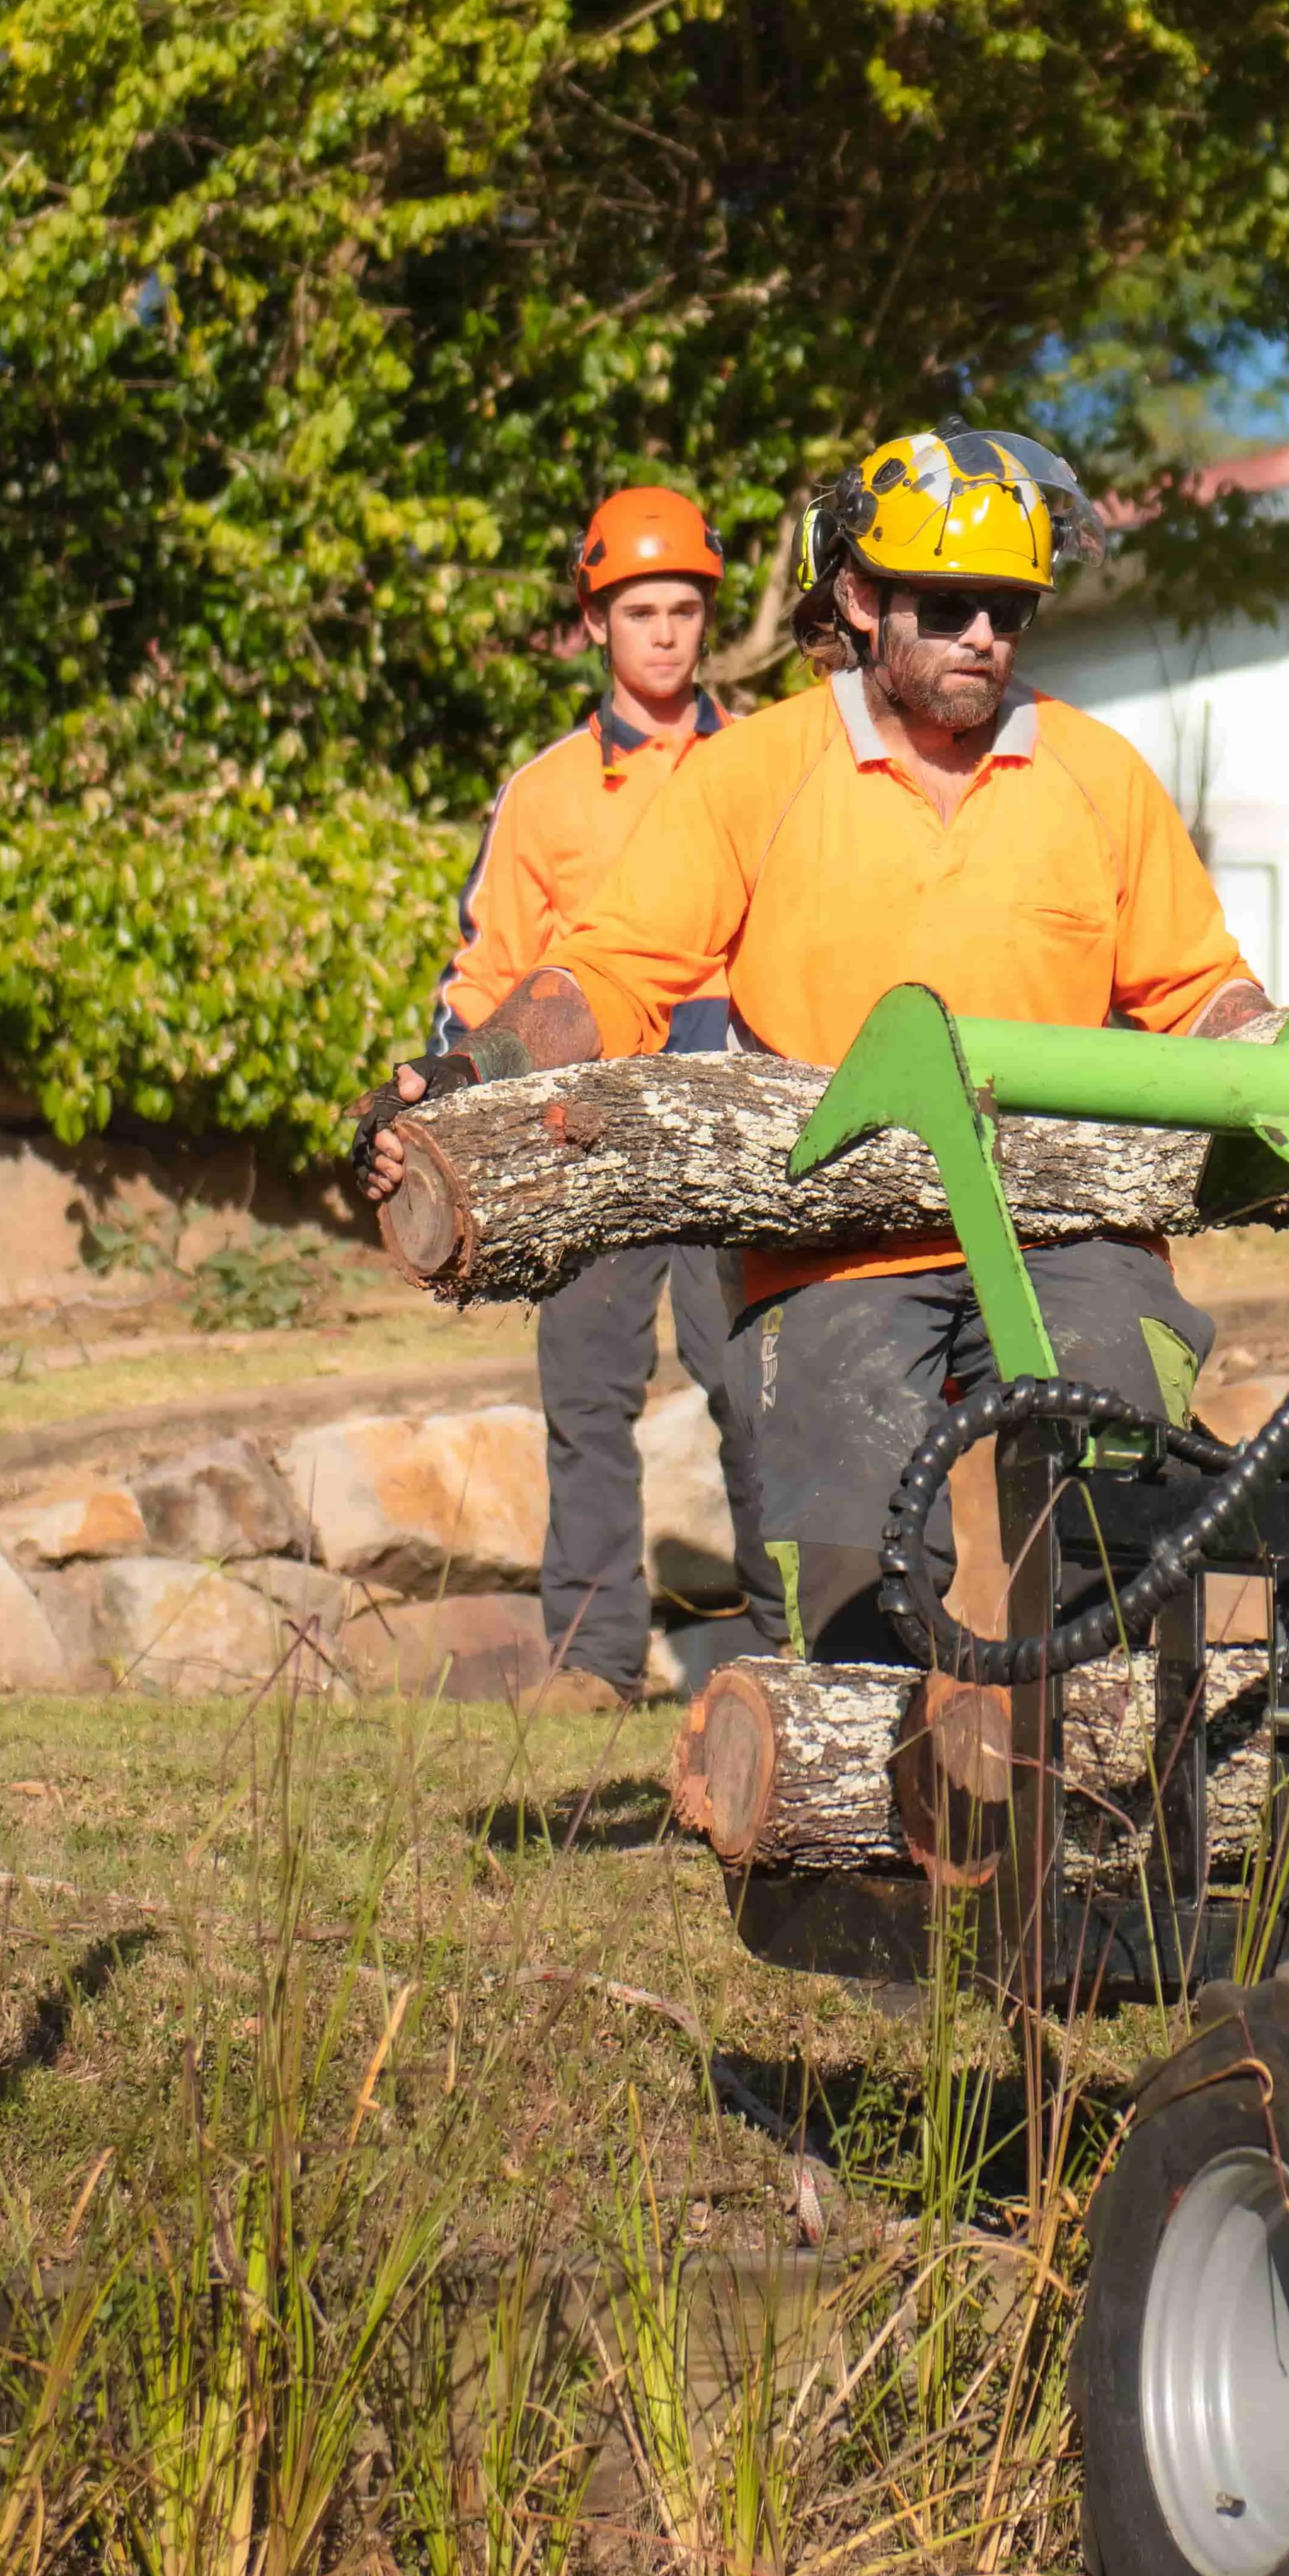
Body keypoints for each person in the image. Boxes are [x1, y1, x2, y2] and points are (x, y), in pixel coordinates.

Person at [367, 428, 1274, 1666]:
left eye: (1008, 610)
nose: (983, 638)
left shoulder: (1097, 773)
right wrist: (474, 1071)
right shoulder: (759, 768)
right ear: (858, 596)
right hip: (831, 1251)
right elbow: (614, 965)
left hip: (1070, 1229)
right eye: (948, 606)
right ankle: (849, 1842)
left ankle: (1116, 1820)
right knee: (853, 1577)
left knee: (1123, 1507)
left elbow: (1200, 989)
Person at [438, 476, 734, 1704]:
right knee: (587, 1403)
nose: (663, 631)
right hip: (584, 1131)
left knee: (763, 1390)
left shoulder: (770, 763)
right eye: (638, 609)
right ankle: (591, 1659)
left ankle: (796, 1646)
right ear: (595, 622)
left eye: (682, 607)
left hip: (735, 1129)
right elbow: (486, 972)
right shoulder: (545, 789)